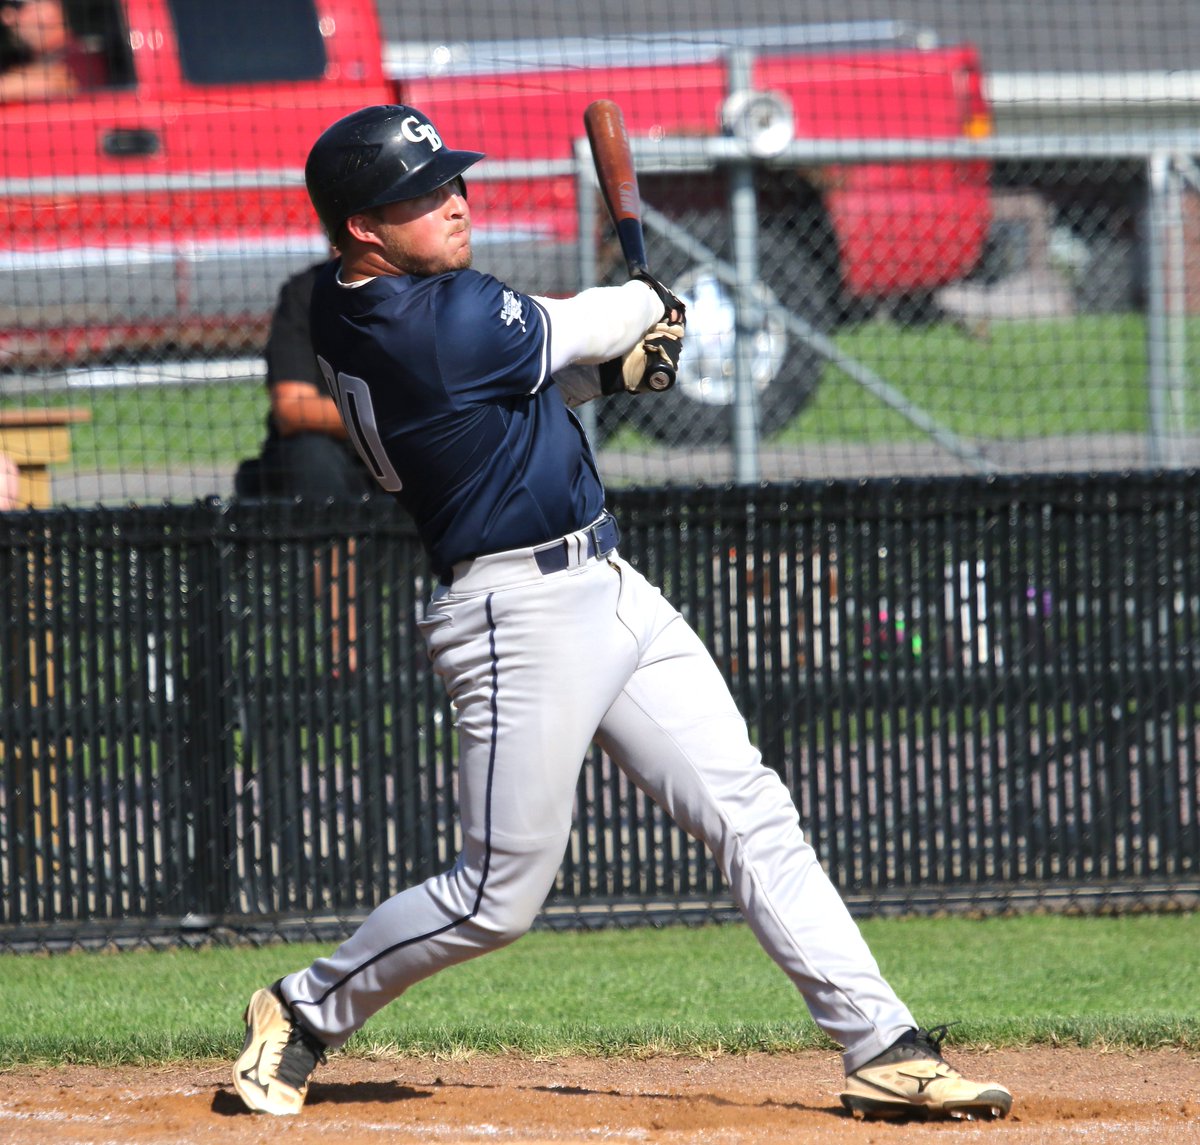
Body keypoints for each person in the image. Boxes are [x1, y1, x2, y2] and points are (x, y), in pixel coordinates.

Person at [231, 104, 1013, 1124]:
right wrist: (643, 303)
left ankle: (885, 1045)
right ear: (364, 228)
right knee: (494, 896)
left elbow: (511, 402)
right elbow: (579, 325)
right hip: (518, 614)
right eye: (420, 195)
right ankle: (302, 1006)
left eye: (450, 179)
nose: (454, 199)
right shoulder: (429, 313)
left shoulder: (355, 305)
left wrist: (612, 370)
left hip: (606, 582)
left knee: (749, 809)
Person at [242, 259, 380, 502]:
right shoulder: (305, 293)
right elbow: (292, 410)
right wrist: (385, 418)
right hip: (331, 458)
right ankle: (330, 538)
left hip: (398, 455)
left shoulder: (423, 288)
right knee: (312, 454)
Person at [0, 0, 81, 101]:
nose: (6, 19)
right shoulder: (17, 59)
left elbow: (66, 82)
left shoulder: (85, 59)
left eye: (18, 6)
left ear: (52, 8)